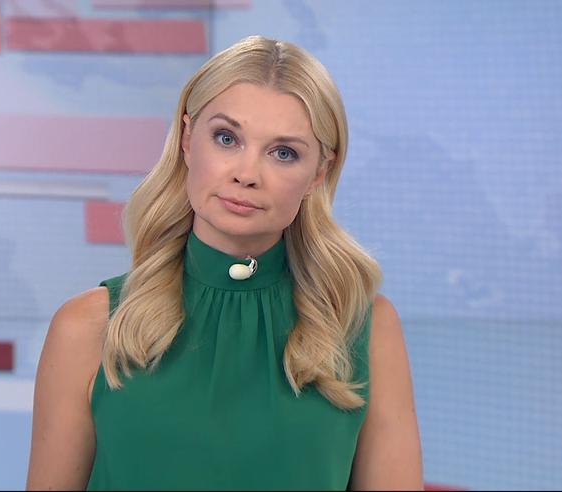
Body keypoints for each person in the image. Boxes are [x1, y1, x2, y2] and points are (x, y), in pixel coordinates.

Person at [26, 35, 423, 491]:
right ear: (187, 138)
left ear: (320, 172)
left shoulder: (365, 329)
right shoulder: (87, 327)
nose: (246, 174)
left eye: (284, 153)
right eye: (227, 138)